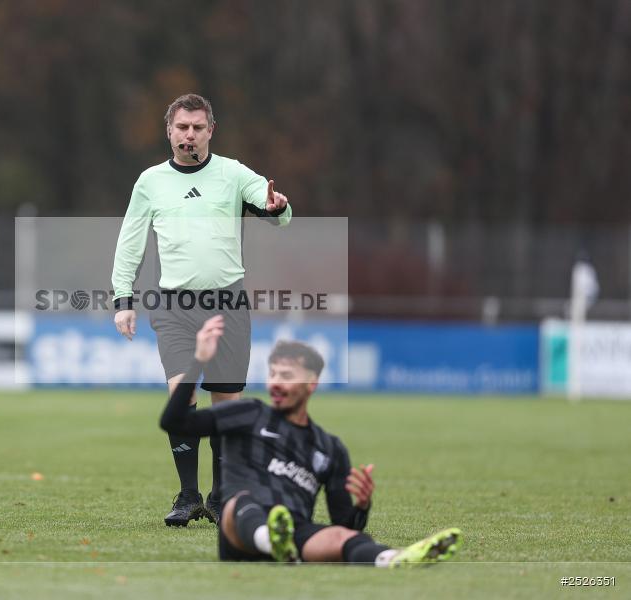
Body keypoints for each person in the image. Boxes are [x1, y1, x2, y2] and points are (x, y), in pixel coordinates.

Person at [111, 93, 292, 526]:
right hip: (174, 305)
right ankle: (188, 495)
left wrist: (278, 207)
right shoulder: (150, 181)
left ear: (211, 130)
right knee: (183, 393)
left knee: (227, 403)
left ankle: (220, 495)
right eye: (181, 127)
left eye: (197, 127)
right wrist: (123, 299)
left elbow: (276, 211)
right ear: (169, 131)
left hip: (227, 303)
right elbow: (130, 241)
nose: (188, 134)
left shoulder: (233, 174)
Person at [159, 315, 462, 564]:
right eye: (274, 374)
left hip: (294, 534)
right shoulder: (248, 413)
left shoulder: (329, 448)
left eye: (287, 376)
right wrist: (197, 363)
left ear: (312, 383)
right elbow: (174, 421)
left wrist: (362, 506)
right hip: (240, 535)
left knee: (340, 538)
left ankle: (395, 558)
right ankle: (271, 539)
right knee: (240, 501)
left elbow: (345, 523)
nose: (277, 383)